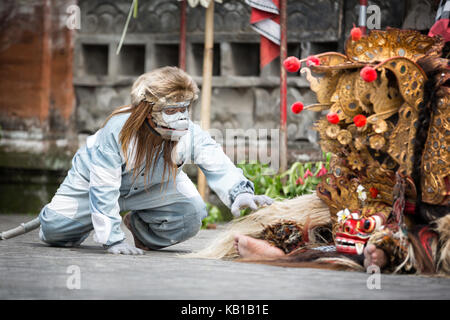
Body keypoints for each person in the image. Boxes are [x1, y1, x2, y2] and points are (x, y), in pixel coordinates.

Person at [38, 66, 273, 255]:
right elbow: (103, 187)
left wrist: (239, 192)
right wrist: (111, 240)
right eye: (171, 110)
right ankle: (82, 222)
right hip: (92, 184)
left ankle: (139, 228)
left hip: (153, 185)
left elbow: (217, 161)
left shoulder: (189, 133)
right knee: (54, 232)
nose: (181, 116)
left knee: (192, 215)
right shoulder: (117, 132)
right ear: (147, 112)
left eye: (185, 108)